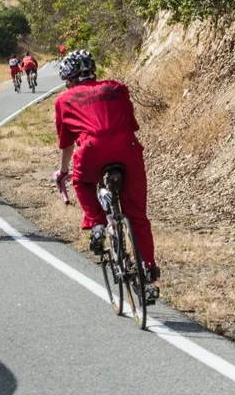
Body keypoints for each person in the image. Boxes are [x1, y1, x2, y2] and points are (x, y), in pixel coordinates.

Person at [52, 50, 159, 300]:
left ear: (69, 78)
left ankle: (97, 222)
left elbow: (66, 143)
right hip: (128, 148)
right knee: (138, 218)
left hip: (91, 150)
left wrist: (64, 171)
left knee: (81, 181)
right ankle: (148, 277)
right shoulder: (117, 88)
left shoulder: (64, 100)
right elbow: (131, 123)